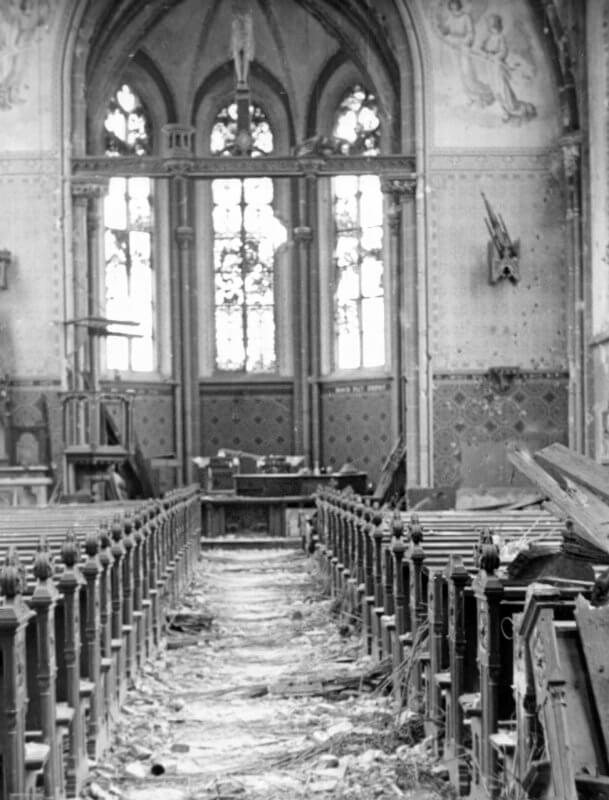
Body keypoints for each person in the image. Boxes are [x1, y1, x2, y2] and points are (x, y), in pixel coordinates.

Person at [479, 14, 536, 122]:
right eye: (491, 27)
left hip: (498, 66)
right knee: (495, 89)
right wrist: (485, 54)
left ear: (498, 26)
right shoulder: (488, 37)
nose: (493, 29)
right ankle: (504, 110)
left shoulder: (500, 37)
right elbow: (481, 48)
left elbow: (504, 52)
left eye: (495, 26)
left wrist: (494, 57)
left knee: (503, 89)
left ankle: (513, 108)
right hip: (490, 67)